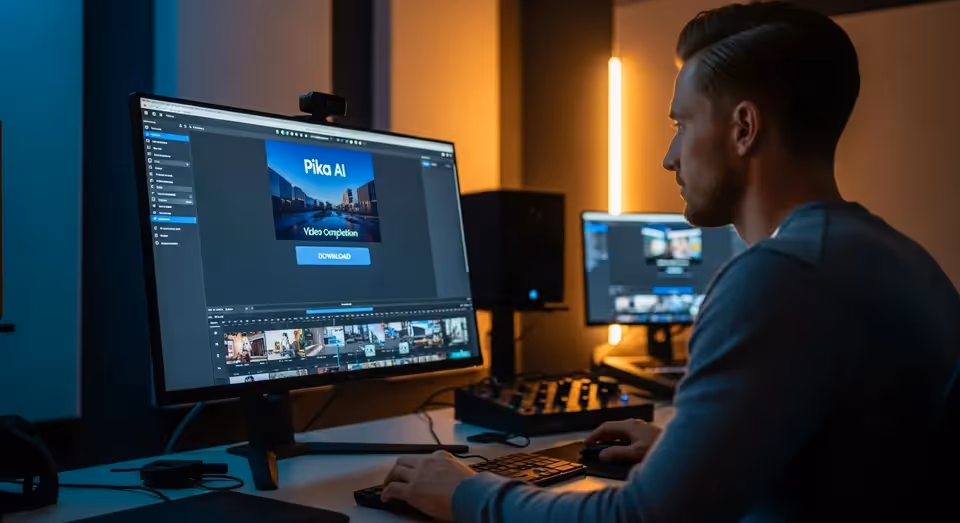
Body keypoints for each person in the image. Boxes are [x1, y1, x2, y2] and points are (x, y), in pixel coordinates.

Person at [379, 2, 960, 521]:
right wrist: (686, 453)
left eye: (681, 124)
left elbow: (639, 518)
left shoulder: (780, 277)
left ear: (743, 128)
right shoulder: (902, 260)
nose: (668, 156)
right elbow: (853, 464)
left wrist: (465, 495)